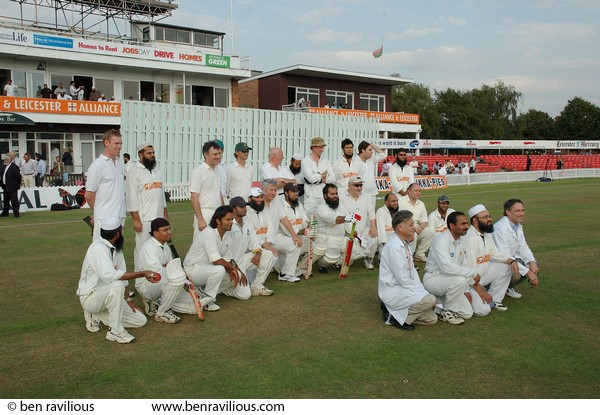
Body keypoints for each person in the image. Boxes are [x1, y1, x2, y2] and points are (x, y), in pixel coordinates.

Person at [76, 217, 155, 343]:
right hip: (90, 297)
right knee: (116, 285)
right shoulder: (98, 248)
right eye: (122, 230)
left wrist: (129, 300)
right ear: (118, 234)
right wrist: (142, 273)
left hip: (109, 296)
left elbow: (122, 276)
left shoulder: (116, 249)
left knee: (140, 320)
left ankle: (98, 315)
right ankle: (115, 331)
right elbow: (110, 276)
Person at [379, 210, 438, 331]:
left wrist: (421, 291)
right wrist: (423, 294)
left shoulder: (404, 242)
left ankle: (394, 311)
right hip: (393, 290)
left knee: (432, 319)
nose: (414, 228)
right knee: (430, 299)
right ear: (400, 227)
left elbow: (412, 272)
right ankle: (394, 318)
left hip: (404, 288)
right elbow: (403, 278)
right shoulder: (394, 247)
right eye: (411, 225)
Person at [183, 205, 251, 311]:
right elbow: (216, 260)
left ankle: (203, 292)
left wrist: (239, 271)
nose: (231, 222)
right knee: (220, 270)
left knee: (245, 294)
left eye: (232, 219)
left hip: (209, 270)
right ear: (218, 221)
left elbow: (229, 258)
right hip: (192, 270)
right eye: (228, 219)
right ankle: (207, 301)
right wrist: (232, 269)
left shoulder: (227, 234)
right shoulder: (209, 233)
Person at [136, 218, 197, 324]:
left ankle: (156, 302)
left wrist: (185, 280)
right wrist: (181, 277)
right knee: (176, 281)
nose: (169, 232)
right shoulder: (148, 248)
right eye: (165, 230)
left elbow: (171, 267)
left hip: (162, 282)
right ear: (155, 233)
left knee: (192, 308)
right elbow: (156, 273)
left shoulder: (165, 247)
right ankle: (161, 313)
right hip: (148, 285)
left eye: (169, 229)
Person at [463, 204, 519, 316]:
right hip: (469, 282)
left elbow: (496, 253)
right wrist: (480, 291)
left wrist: (512, 261)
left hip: (482, 275)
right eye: (485, 217)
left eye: (489, 216)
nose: (489, 219)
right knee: (483, 311)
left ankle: (495, 300)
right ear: (475, 220)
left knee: (506, 266)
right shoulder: (469, 238)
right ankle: (463, 297)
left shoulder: (486, 234)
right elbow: (468, 271)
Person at [423, 211, 476, 325]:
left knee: (467, 313)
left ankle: (436, 304)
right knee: (460, 279)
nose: (466, 226)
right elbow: (447, 267)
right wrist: (473, 273)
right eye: (462, 224)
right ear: (452, 226)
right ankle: (448, 313)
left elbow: (462, 265)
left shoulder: (461, 240)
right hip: (433, 279)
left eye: (467, 223)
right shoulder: (441, 240)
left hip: (449, 282)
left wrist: (466, 290)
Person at [126, 142, 168, 270]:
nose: (152, 155)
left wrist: (165, 215)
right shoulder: (134, 171)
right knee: (142, 248)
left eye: (153, 153)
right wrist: (136, 220)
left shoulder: (156, 170)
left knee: (160, 246)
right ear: (140, 155)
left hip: (158, 217)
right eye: (149, 153)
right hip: (144, 219)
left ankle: (159, 273)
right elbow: (131, 197)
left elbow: (161, 194)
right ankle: (141, 277)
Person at [229, 196, 277, 296]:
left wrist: (258, 253)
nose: (244, 208)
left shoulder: (247, 223)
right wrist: (235, 268)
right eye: (241, 207)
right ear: (233, 209)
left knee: (268, 254)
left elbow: (254, 242)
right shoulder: (229, 224)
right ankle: (224, 290)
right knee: (245, 295)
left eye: (245, 206)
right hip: (230, 263)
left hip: (243, 259)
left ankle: (257, 286)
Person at [492, 199, 539, 299]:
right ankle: (493, 288)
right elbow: (505, 256)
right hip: (497, 263)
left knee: (533, 264)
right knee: (517, 269)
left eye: (522, 210)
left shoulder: (517, 225)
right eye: (517, 211)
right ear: (508, 212)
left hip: (510, 259)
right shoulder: (500, 228)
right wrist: (528, 272)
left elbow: (523, 247)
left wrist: (532, 262)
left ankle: (507, 287)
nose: (521, 214)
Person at [85, 129, 126, 240]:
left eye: (121, 143)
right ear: (106, 143)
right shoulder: (97, 165)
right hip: (105, 220)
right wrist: (98, 212)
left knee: (117, 252)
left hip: (120, 216)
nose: (119, 146)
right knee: (102, 253)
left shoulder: (119, 163)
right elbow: (89, 195)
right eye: (116, 143)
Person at [273, 182, 314, 280]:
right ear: (286, 193)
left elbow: (305, 220)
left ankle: (300, 267)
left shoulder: (299, 204)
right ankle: (285, 272)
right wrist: (301, 232)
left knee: (313, 245)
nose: (296, 193)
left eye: (297, 191)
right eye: (293, 191)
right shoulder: (280, 206)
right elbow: (285, 228)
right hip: (282, 238)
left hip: (295, 237)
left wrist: (310, 226)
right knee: (295, 244)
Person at [339, 176, 378, 269]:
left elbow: (371, 212)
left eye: (361, 185)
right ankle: (349, 257)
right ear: (349, 186)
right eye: (357, 185)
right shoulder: (342, 197)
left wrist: (373, 227)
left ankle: (368, 258)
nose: (359, 187)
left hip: (363, 230)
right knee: (345, 262)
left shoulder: (365, 197)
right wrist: (351, 232)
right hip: (347, 233)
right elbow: (342, 217)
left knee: (374, 236)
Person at [313, 183, 350, 273]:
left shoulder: (341, 206)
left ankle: (338, 262)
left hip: (341, 237)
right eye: (332, 194)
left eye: (336, 193)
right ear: (325, 195)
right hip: (327, 238)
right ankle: (322, 265)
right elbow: (334, 219)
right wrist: (347, 218)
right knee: (331, 258)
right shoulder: (321, 208)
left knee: (357, 248)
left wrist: (354, 233)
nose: (335, 196)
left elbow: (347, 221)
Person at [190, 141, 223, 240]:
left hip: (217, 213)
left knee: (216, 244)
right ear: (205, 154)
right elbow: (194, 197)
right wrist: (200, 219)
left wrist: (222, 213)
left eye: (219, 154)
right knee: (200, 245)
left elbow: (219, 193)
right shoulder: (198, 172)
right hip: (204, 213)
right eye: (215, 154)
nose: (218, 157)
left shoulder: (218, 170)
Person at [398, 183, 434, 263]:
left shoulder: (421, 203)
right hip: (403, 229)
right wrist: (412, 229)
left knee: (430, 232)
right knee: (412, 233)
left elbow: (424, 221)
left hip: (416, 228)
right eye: (416, 191)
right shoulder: (401, 201)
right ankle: (408, 258)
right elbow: (397, 219)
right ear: (409, 191)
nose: (418, 192)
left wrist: (419, 228)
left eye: (419, 191)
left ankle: (419, 254)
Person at [301, 136, 334, 213]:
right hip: (310, 198)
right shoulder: (305, 161)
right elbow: (310, 178)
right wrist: (322, 175)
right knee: (310, 221)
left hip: (323, 196)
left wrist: (323, 179)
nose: (322, 150)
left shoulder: (326, 161)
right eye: (320, 147)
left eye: (322, 147)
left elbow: (333, 178)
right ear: (313, 147)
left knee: (323, 221)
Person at [356, 141, 387, 210]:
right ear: (363, 150)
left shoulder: (371, 159)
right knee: (361, 217)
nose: (372, 152)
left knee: (372, 217)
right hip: (361, 195)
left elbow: (383, 155)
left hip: (372, 194)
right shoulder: (354, 161)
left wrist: (372, 145)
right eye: (370, 150)